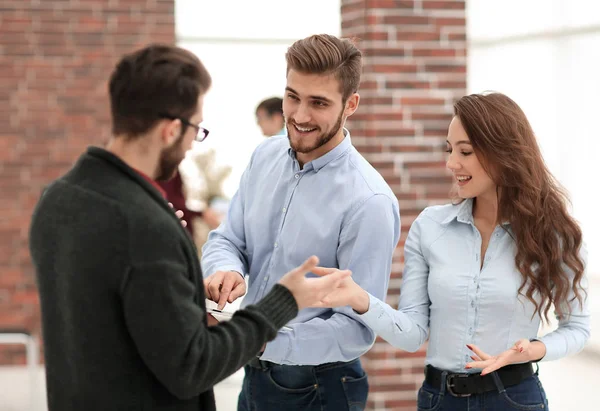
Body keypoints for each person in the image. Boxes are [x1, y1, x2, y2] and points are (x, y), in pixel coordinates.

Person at [28, 44, 351, 411]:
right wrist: (284, 301)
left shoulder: (56, 200)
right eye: (196, 129)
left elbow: (112, 312)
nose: (192, 146)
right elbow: (194, 365)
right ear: (170, 130)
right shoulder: (144, 227)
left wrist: (183, 303)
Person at [313, 92, 591, 410]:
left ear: (504, 153)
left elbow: (577, 328)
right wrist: (358, 299)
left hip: (514, 398)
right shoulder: (430, 227)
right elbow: (413, 333)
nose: (451, 163)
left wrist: (533, 349)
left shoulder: (553, 236)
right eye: (450, 149)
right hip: (439, 399)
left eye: (466, 151)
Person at [201, 34, 401, 411]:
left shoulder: (369, 202)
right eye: (293, 96)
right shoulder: (264, 157)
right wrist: (225, 269)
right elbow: (227, 239)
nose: (300, 115)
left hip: (317, 387)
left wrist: (261, 339)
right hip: (255, 371)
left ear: (351, 104)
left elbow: (356, 329)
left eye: (319, 103)